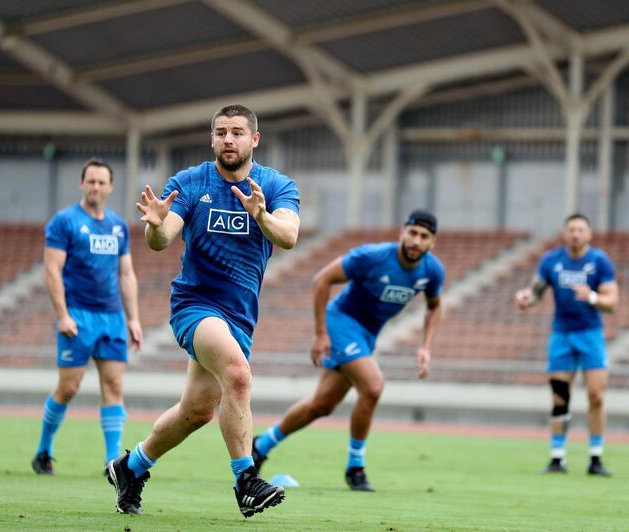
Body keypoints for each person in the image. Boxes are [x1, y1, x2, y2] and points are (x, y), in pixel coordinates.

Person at [105, 104, 300, 517]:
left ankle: (132, 466)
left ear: (254, 140)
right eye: (221, 132)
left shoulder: (276, 185)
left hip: (240, 317)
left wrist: (261, 214)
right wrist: (157, 225)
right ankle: (246, 479)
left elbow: (289, 236)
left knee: (195, 412)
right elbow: (161, 239)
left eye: (237, 132)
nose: (228, 139)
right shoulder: (191, 182)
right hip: (195, 306)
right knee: (238, 376)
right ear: (211, 139)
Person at [252, 210, 444, 492]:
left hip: (367, 336)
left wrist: (426, 347)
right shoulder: (373, 257)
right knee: (373, 386)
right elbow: (322, 279)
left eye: (424, 237)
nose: (417, 241)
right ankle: (355, 467)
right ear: (402, 232)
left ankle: (261, 445)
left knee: (322, 405)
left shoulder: (432, 271)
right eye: (413, 233)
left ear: (432, 243)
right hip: (341, 322)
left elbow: (435, 306)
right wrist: (320, 334)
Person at [32, 158, 143, 475]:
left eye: (101, 182)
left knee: (115, 385)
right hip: (77, 316)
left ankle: (112, 464)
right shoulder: (64, 222)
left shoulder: (119, 226)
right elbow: (52, 269)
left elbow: (126, 275)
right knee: (69, 387)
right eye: (90, 181)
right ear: (82, 184)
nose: (96, 187)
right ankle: (43, 450)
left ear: (110, 186)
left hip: (112, 317)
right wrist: (63, 315)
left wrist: (133, 319)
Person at [515, 213, 619, 476]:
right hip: (561, 334)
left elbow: (612, 302)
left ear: (589, 234)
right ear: (564, 233)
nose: (575, 234)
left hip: (590, 335)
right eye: (571, 229)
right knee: (559, 397)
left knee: (596, 395)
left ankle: (595, 458)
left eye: (580, 230)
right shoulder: (551, 260)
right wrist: (527, 298)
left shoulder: (599, 261)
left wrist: (592, 296)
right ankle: (557, 457)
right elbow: (537, 292)